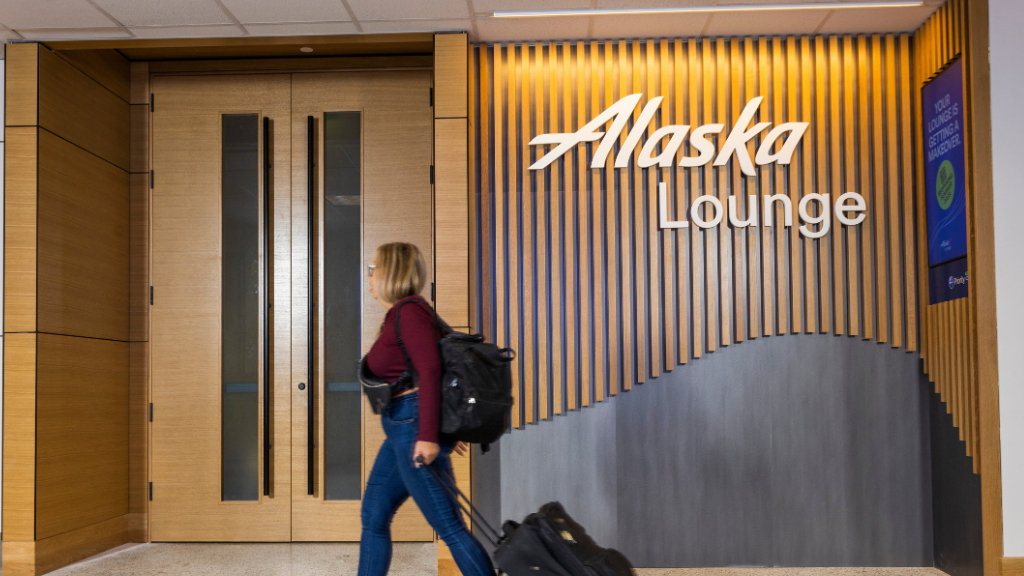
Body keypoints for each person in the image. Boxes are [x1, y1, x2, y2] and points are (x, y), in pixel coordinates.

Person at [358, 242, 496, 576]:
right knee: (374, 516)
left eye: (373, 269)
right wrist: (436, 427)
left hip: (411, 428)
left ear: (390, 272)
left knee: (448, 526)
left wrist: (429, 435)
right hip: (402, 428)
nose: (370, 277)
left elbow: (430, 370)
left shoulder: (410, 312)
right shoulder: (402, 315)